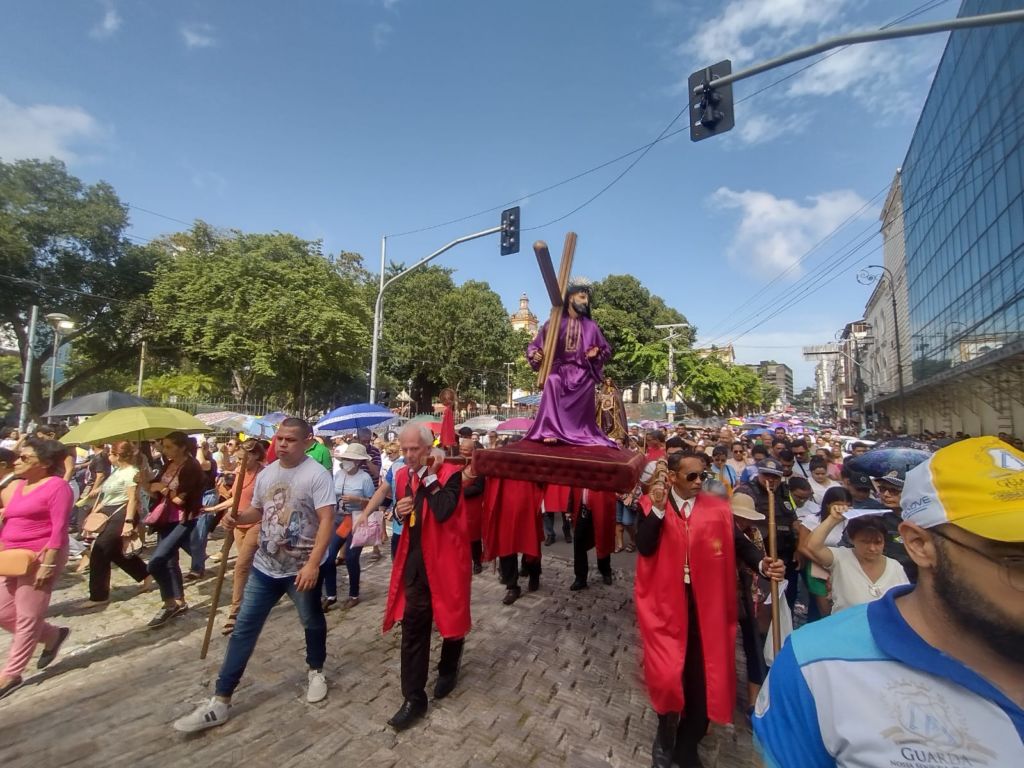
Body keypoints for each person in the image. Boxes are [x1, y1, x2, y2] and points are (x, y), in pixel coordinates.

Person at [753, 436, 1024, 766]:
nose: (873, 546)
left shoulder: (895, 568)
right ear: (920, 545)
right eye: (1015, 561)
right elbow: (812, 549)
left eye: (878, 541)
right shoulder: (815, 668)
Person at [173, 418, 335, 732]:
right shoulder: (267, 474)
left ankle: (316, 669)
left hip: (300, 567)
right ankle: (221, 699)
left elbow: (327, 520)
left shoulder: (317, 475)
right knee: (244, 628)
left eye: (291, 439)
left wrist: (314, 564)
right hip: (265, 567)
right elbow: (258, 512)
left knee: (311, 619)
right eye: (280, 438)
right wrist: (236, 517)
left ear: (306, 442)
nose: (284, 444)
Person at [635, 452, 785, 767]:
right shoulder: (652, 506)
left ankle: (687, 746)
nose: (699, 482)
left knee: (701, 678)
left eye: (702, 475)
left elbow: (740, 545)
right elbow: (645, 546)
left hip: (706, 608)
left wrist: (761, 563)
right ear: (672, 476)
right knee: (666, 676)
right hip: (666, 606)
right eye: (691, 476)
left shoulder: (716, 510)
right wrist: (660, 511)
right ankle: (664, 734)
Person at [382, 424, 470, 730]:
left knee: (450, 620)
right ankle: (413, 698)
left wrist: (429, 476)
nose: (407, 456)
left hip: (447, 562)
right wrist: (397, 513)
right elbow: (401, 512)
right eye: (403, 450)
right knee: (413, 628)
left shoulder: (451, 473)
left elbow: (444, 509)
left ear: (427, 447)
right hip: (416, 563)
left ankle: (449, 667)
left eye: (413, 450)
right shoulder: (402, 475)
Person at [0, 437, 74, 699]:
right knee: (3, 612)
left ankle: (11, 673)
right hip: (12, 556)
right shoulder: (19, 486)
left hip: (41, 557)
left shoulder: (57, 487)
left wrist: (50, 563)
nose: (17, 461)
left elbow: (59, 527)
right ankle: (53, 636)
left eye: (24, 457)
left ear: (44, 463)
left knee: (27, 616)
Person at [523, 276, 615, 447]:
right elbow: (535, 346)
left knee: (587, 383)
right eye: (582, 296)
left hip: (582, 372)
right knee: (552, 381)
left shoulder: (591, 326)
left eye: (587, 298)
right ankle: (550, 430)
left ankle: (579, 430)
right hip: (559, 371)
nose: (586, 301)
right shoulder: (553, 324)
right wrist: (536, 354)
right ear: (571, 297)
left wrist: (597, 353)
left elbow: (606, 349)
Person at [144, 431, 207, 629]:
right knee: (170, 561)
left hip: (183, 519)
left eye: (170, 446)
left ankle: (169, 601)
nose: (165, 449)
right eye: (165, 446)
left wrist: (162, 488)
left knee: (156, 562)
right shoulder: (168, 463)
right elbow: (154, 491)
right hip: (165, 518)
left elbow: (181, 499)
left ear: (182, 447)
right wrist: (145, 481)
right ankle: (178, 601)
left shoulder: (191, 467)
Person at [203, 439, 266, 634]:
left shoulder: (264, 475)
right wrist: (214, 508)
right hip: (238, 525)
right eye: (238, 459)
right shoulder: (239, 472)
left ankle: (235, 611)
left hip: (257, 522)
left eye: (243, 459)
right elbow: (234, 498)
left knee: (240, 566)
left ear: (255, 455)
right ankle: (257, 594)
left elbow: (263, 504)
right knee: (249, 566)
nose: (239, 462)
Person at [804, 502, 909, 613]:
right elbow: (812, 546)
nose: (872, 548)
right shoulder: (840, 558)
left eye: (878, 542)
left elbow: (905, 602)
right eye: (865, 542)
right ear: (852, 539)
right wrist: (833, 519)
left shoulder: (895, 567)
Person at [83, 441, 150, 606]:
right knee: (114, 552)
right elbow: (107, 496)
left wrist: (128, 522)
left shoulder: (131, 472)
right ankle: (146, 573)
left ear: (118, 455)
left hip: (122, 513)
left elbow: (132, 499)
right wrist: (95, 511)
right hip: (109, 511)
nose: (109, 457)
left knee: (100, 550)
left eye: (111, 454)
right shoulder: (117, 472)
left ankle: (99, 595)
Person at [328, 442, 375, 611]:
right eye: (345, 458)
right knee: (329, 556)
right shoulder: (338, 474)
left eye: (350, 459)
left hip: (356, 521)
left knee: (351, 557)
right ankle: (330, 595)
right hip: (339, 519)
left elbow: (373, 502)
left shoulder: (365, 478)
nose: (346, 461)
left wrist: (358, 500)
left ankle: (353, 594)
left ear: (358, 462)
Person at [596, 376, 628, 442]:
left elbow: (618, 399)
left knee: (610, 420)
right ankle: (603, 431)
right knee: (603, 420)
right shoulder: (603, 390)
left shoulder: (613, 390)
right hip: (603, 410)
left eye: (609, 381)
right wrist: (600, 398)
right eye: (607, 381)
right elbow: (598, 399)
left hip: (612, 410)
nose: (608, 383)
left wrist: (613, 396)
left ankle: (610, 431)